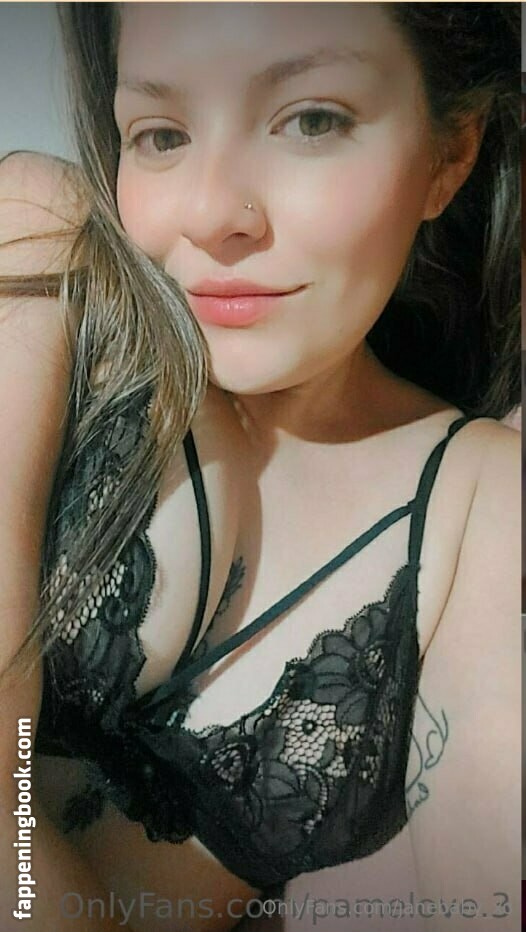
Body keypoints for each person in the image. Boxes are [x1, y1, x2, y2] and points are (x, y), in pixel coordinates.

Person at [0, 3, 520, 931]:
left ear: (450, 154)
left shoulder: (481, 495)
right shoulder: (45, 251)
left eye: (311, 119)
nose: (213, 214)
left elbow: (478, 893)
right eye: (161, 134)